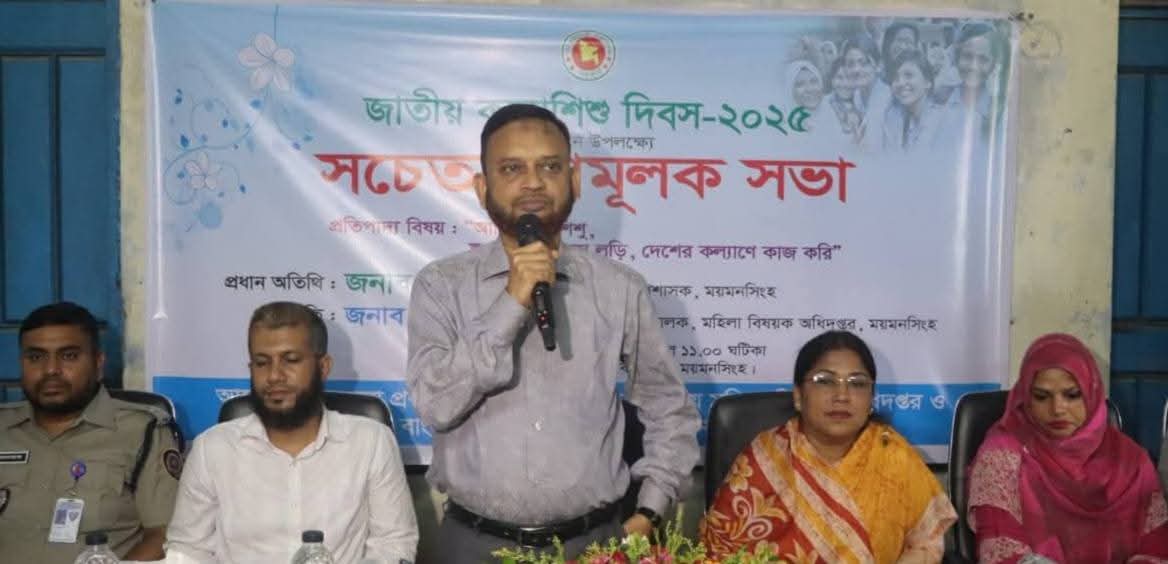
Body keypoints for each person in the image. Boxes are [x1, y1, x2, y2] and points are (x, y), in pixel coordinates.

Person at [407, 103, 700, 562]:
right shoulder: (441, 285)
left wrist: (650, 511)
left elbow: (669, 408)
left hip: (595, 544)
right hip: (474, 546)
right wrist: (512, 300)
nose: (533, 183)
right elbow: (436, 405)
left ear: (575, 181)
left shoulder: (619, 288)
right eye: (512, 168)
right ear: (482, 188)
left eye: (549, 167)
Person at [165, 301, 418, 563]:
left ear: (323, 367)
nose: (274, 375)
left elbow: (393, 544)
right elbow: (188, 550)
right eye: (262, 363)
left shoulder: (371, 442)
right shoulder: (212, 450)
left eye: (291, 360)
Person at [700, 331, 955, 563]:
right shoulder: (765, 456)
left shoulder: (894, 456)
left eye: (857, 383)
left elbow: (925, 544)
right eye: (825, 381)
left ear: (871, 398)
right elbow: (717, 551)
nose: (842, 395)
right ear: (798, 396)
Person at [0, 302, 182, 563]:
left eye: (69, 356)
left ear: (98, 363)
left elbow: (164, 535)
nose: (51, 370)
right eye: (36, 357)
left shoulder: (141, 431)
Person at [967, 333, 1168, 563]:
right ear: (1025, 397)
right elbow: (999, 547)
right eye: (1041, 397)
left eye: (1072, 395)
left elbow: (1157, 546)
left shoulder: (1131, 461)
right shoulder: (1001, 454)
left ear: (1092, 392)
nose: (1057, 409)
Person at [880, 50, 958, 153]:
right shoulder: (894, 119)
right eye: (895, 78)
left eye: (908, 75)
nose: (901, 83)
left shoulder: (944, 121)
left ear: (927, 82)